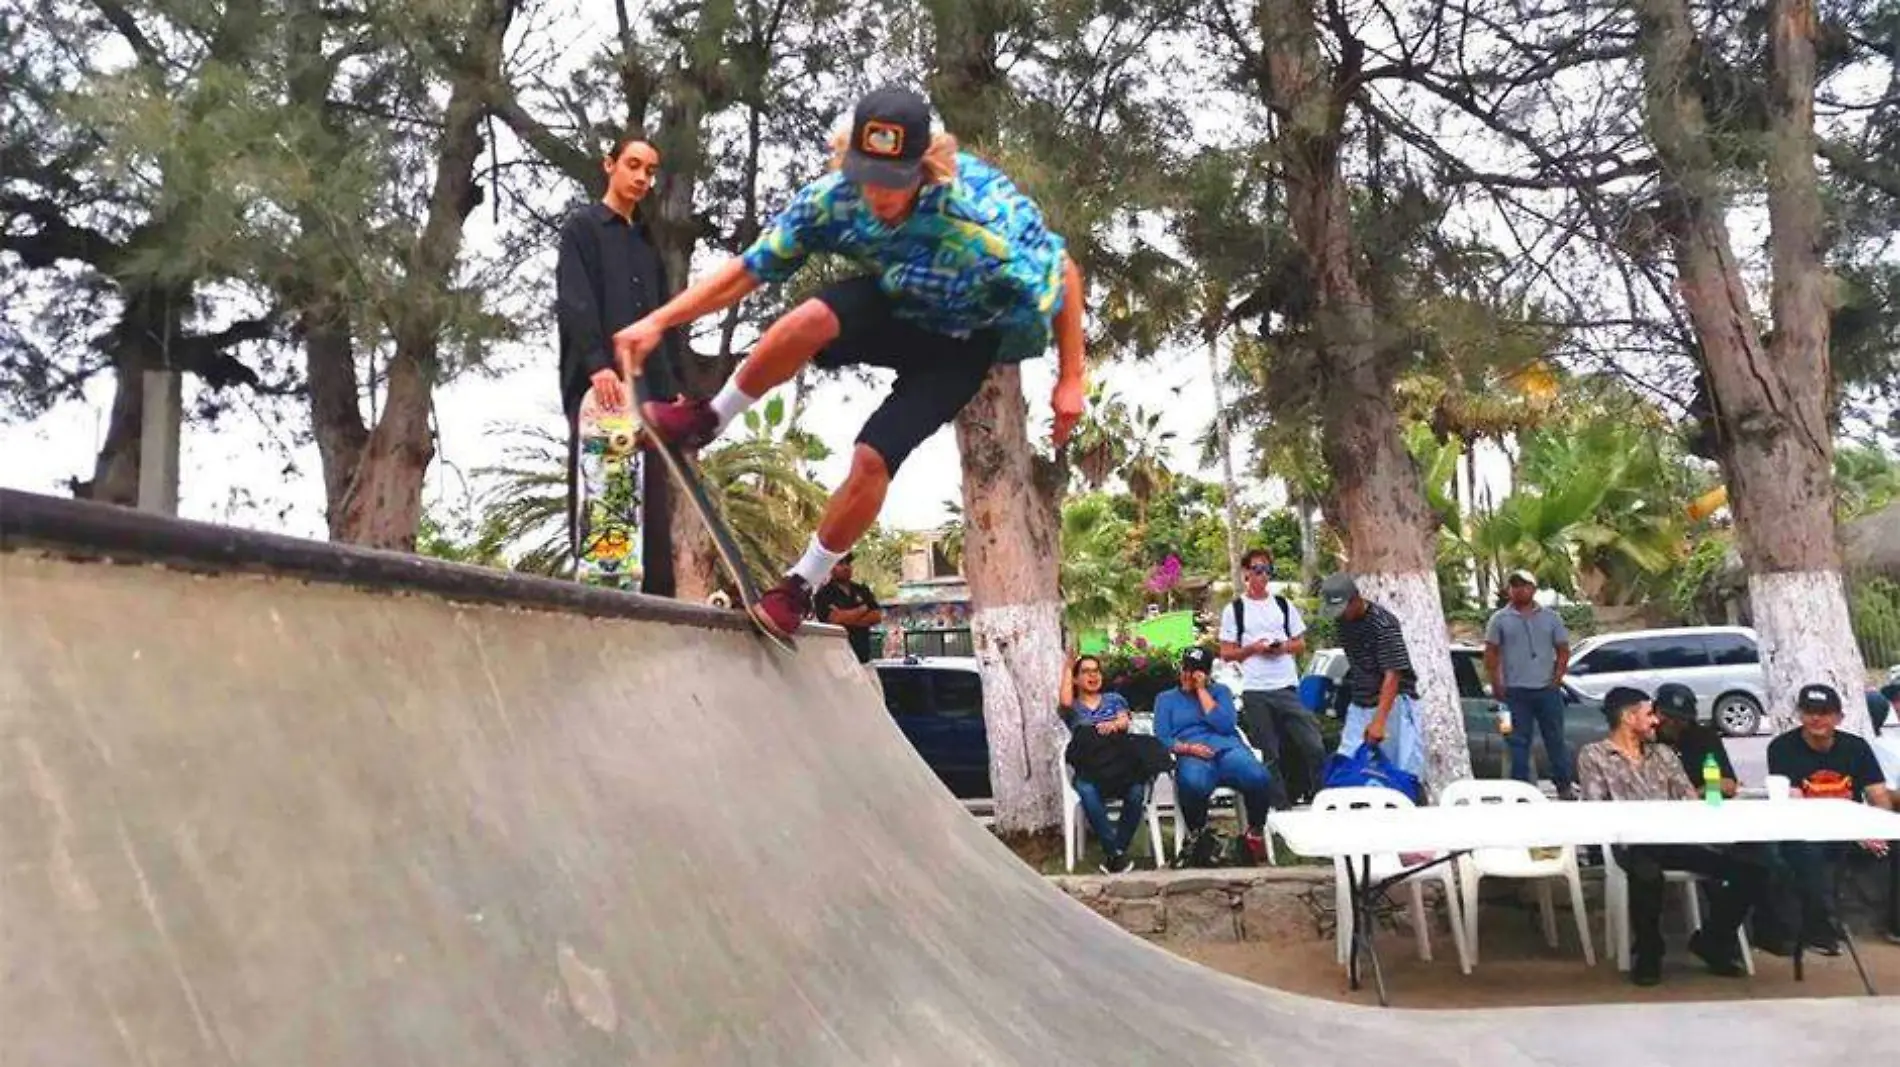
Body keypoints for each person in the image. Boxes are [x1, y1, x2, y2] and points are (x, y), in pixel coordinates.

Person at [610, 86, 1087, 640]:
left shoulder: (981, 207)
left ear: (924, 168)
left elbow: (1065, 271)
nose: (878, 197)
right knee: (808, 319)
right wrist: (657, 321)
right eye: (868, 178)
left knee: (871, 459)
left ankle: (798, 584)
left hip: (962, 344)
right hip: (895, 307)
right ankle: (708, 419)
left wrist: (1071, 377)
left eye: (894, 183)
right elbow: (749, 270)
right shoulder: (834, 199)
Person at [554, 133, 681, 596]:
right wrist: (597, 364)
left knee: (649, 492)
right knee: (601, 478)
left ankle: (654, 595)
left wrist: (673, 389)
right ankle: (596, 588)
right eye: (633, 165)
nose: (642, 177)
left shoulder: (648, 247)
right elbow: (575, 300)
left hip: (645, 387)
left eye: (650, 170)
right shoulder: (582, 228)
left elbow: (661, 321)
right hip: (598, 384)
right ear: (609, 165)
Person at [1576, 687, 1770, 986]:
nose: (1656, 721)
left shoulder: (1663, 754)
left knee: (1751, 866)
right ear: (1628, 718)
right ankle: (1650, 951)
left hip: (1673, 839)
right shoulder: (1595, 756)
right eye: (1649, 714)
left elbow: (1689, 799)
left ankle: (1713, 939)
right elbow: (1595, 810)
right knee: (1646, 872)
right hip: (1629, 842)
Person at [1765, 683, 1895, 955]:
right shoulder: (1782, 748)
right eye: (1810, 711)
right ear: (1800, 714)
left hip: (1854, 829)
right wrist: (1855, 833)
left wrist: (1879, 828)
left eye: (1824, 712)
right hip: (1809, 831)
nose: (1816, 718)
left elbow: (1877, 794)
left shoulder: (1855, 747)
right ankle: (1818, 930)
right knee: (1805, 854)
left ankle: (1895, 923)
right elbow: (1795, 802)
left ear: (1838, 717)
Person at [1217, 547, 1322, 809]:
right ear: (1246, 574)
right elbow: (1226, 652)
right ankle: (1280, 808)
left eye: (1267, 570)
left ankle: (1322, 797)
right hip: (1255, 689)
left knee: (1313, 744)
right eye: (1257, 570)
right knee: (1268, 752)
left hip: (1286, 685)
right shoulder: (1236, 610)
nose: (1263, 575)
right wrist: (1253, 648)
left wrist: (1281, 647)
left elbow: (1300, 644)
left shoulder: (1283, 605)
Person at [1153, 647, 1274, 864]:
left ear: (1207, 673)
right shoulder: (1166, 699)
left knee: (1259, 777)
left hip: (1228, 749)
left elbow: (1226, 725)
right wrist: (1187, 748)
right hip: (1192, 752)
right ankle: (1199, 837)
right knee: (1193, 783)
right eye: (1187, 669)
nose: (1190, 675)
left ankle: (1254, 834)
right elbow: (1162, 736)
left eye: (1197, 671)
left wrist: (1202, 692)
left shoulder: (1220, 692)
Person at [1059, 654, 1169, 874]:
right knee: (1086, 791)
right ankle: (1116, 852)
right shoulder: (1074, 708)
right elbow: (1064, 701)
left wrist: (1114, 724)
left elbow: (1125, 719)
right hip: (1091, 769)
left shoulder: (1114, 699)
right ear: (1076, 679)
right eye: (1086, 671)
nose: (1093, 675)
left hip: (1120, 767)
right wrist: (1067, 668)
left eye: (1096, 671)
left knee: (1137, 792)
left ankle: (1115, 852)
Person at [1317, 573, 1425, 779]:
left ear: (1356, 599)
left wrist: (1379, 721)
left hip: (1393, 703)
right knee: (1348, 764)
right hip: (1361, 701)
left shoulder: (1383, 624)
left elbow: (1393, 675)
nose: (1341, 615)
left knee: (1398, 769)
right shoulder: (1343, 623)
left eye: (1343, 609)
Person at [1483, 570, 1575, 798]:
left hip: (1546, 691)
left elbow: (1563, 649)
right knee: (1516, 743)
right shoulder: (1499, 619)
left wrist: (1557, 678)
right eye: (1514, 586)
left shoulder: (1551, 618)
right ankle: (1520, 791)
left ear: (1533, 589)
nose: (1518, 590)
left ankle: (1563, 786)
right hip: (1514, 693)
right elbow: (1491, 653)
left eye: (1524, 585)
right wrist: (1496, 684)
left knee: (1555, 740)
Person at [1652, 683, 1738, 798]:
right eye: (1666, 716)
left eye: (1680, 719)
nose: (1672, 723)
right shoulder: (1645, 740)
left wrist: (1693, 796)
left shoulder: (1704, 738)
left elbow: (1727, 784)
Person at [813, 554, 882, 665]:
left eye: (848, 563)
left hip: (863, 657)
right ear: (830, 567)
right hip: (838, 659)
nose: (846, 567)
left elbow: (876, 617)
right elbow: (834, 620)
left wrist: (846, 619)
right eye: (840, 563)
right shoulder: (823, 595)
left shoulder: (862, 590)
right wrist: (863, 609)